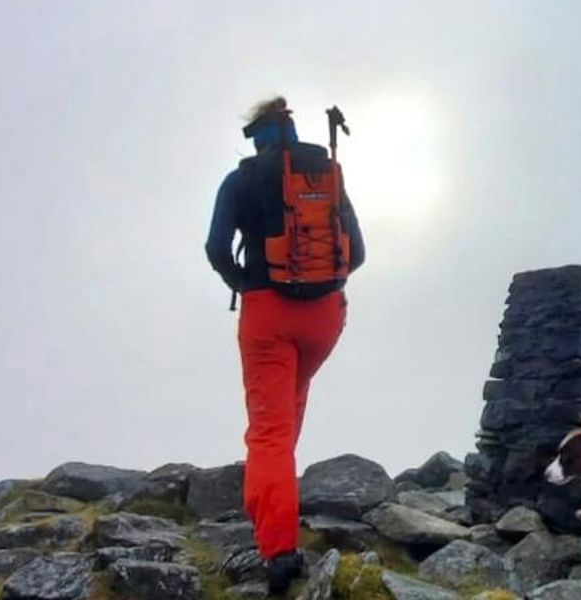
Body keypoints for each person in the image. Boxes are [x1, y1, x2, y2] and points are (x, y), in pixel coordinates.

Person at [205, 97, 365, 592]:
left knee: (269, 431)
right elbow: (357, 253)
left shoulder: (240, 181)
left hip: (267, 315)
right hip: (325, 317)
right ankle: (273, 494)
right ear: (291, 130)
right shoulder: (327, 173)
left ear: (258, 136)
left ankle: (278, 547)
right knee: (288, 404)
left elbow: (215, 247)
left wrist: (246, 283)